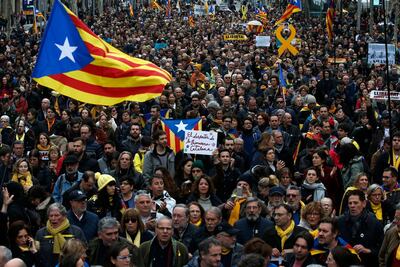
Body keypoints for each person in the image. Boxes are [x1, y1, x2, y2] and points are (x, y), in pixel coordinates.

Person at [337, 189, 383, 267]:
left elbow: (382, 249)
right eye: (350, 203)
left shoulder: (375, 223)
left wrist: (368, 250)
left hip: (367, 262)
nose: (352, 206)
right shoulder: (340, 221)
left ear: (364, 203)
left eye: (355, 203)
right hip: (344, 263)